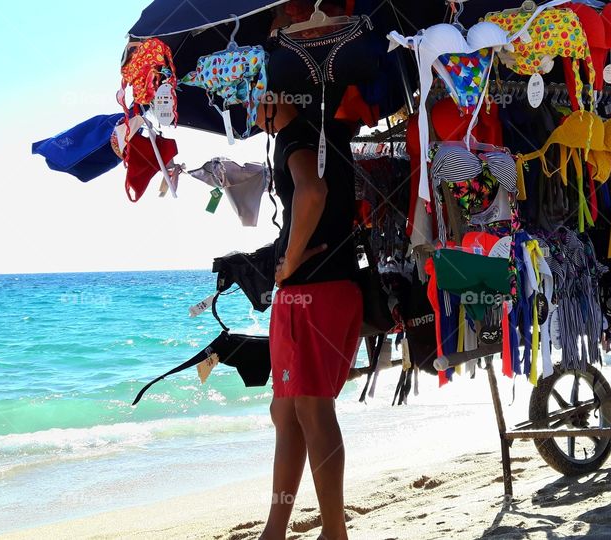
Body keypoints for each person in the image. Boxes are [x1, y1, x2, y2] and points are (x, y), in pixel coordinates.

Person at [255, 2, 373, 538]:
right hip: (328, 287)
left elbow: (313, 192)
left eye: (254, 95)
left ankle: (334, 531)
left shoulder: (296, 135)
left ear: (273, 93)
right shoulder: (327, 131)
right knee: (289, 412)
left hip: (313, 288)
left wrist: (290, 260)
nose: (250, 106)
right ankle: (276, 529)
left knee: (311, 409)